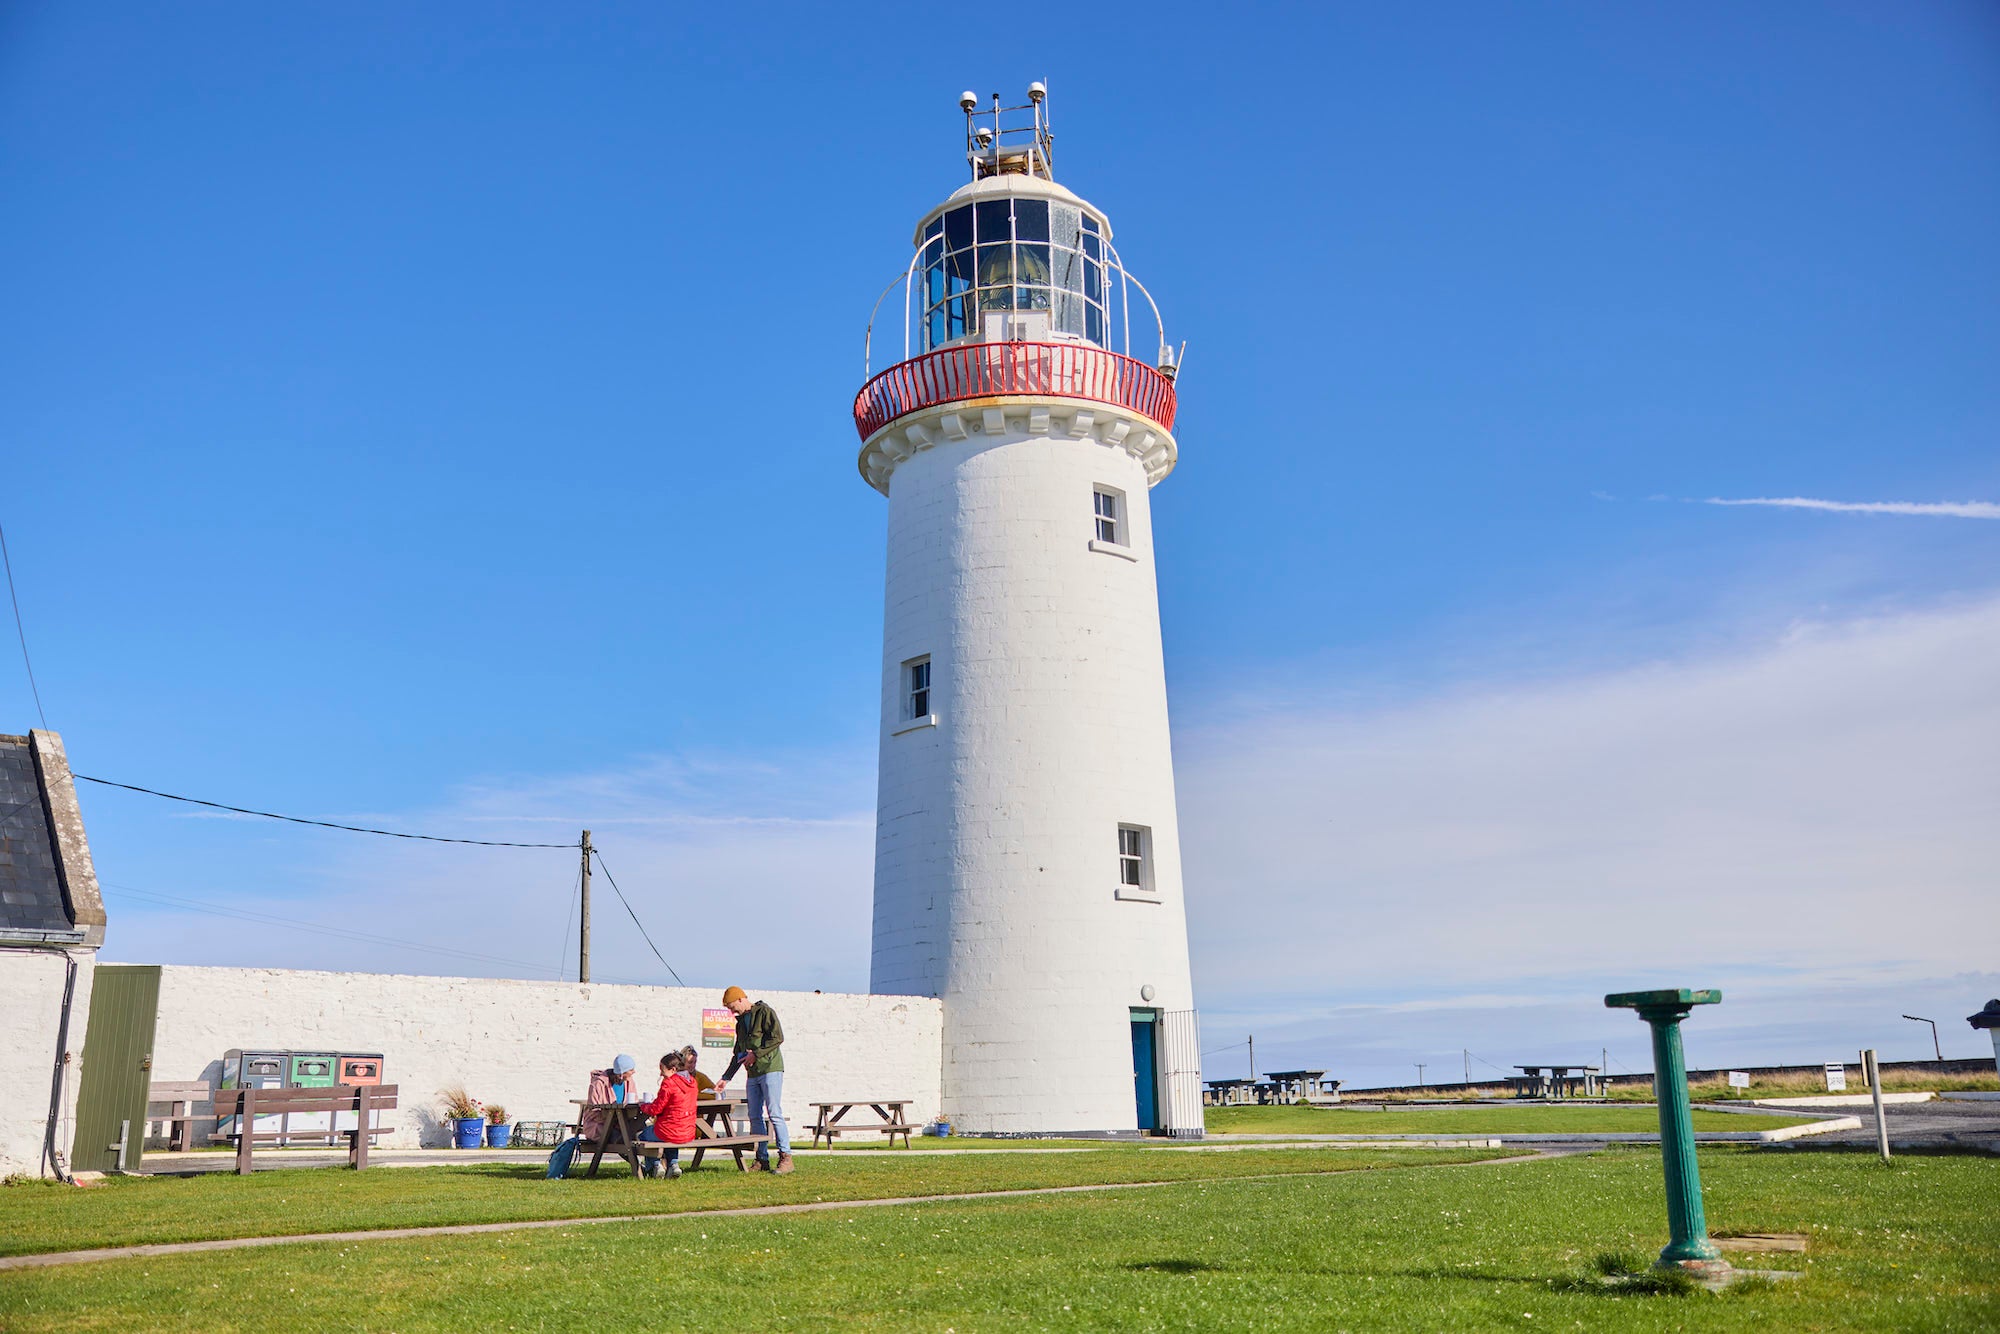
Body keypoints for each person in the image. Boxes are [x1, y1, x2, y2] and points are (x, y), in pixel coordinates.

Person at [715, 985, 793, 1173]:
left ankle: (786, 1157)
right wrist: (726, 1078)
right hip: (753, 1074)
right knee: (754, 1116)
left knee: (774, 1112)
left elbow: (777, 1038)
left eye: (732, 1006)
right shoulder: (740, 1023)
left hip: (770, 1069)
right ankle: (762, 1159)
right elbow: (738, 1053)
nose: (731, 1011)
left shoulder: (765, 1012)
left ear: (741, 999)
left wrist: (755, 1054)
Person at [546, 1053, 639, 1180]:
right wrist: (614, 1118)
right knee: (621, 1139)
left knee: (641, 1133)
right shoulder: (598, 1084)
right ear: (621, 1072)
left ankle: (653, 1166)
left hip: (621, 1124)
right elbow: (594, 1111)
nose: (634, 1072)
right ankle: (639, 1169)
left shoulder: (629, 1082)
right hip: (599, 1126)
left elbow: (633, 1101)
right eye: (631, 1069)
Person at [636, 1051, 699, 1179]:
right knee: (671, 1135)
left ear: (673, 1069)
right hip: (688, 1131)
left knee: (644, 1134)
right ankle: (673, 1165)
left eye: (662, 1070)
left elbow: (656, 1109)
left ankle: (655, 1166)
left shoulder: (669, 1083)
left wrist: (643, 1106)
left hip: (668, 1130)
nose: (661, 1073)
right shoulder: (692, 1082)